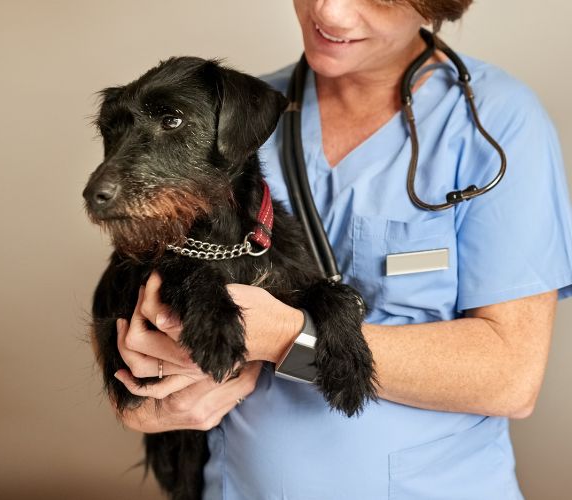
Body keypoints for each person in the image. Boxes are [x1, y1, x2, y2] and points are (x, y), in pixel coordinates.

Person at [109, 0, 572, 498]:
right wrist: (141, 399)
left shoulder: (495, 123)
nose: (330, 12)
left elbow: (510, 377)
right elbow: (133, 284)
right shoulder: (225, 114)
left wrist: (286, 336)